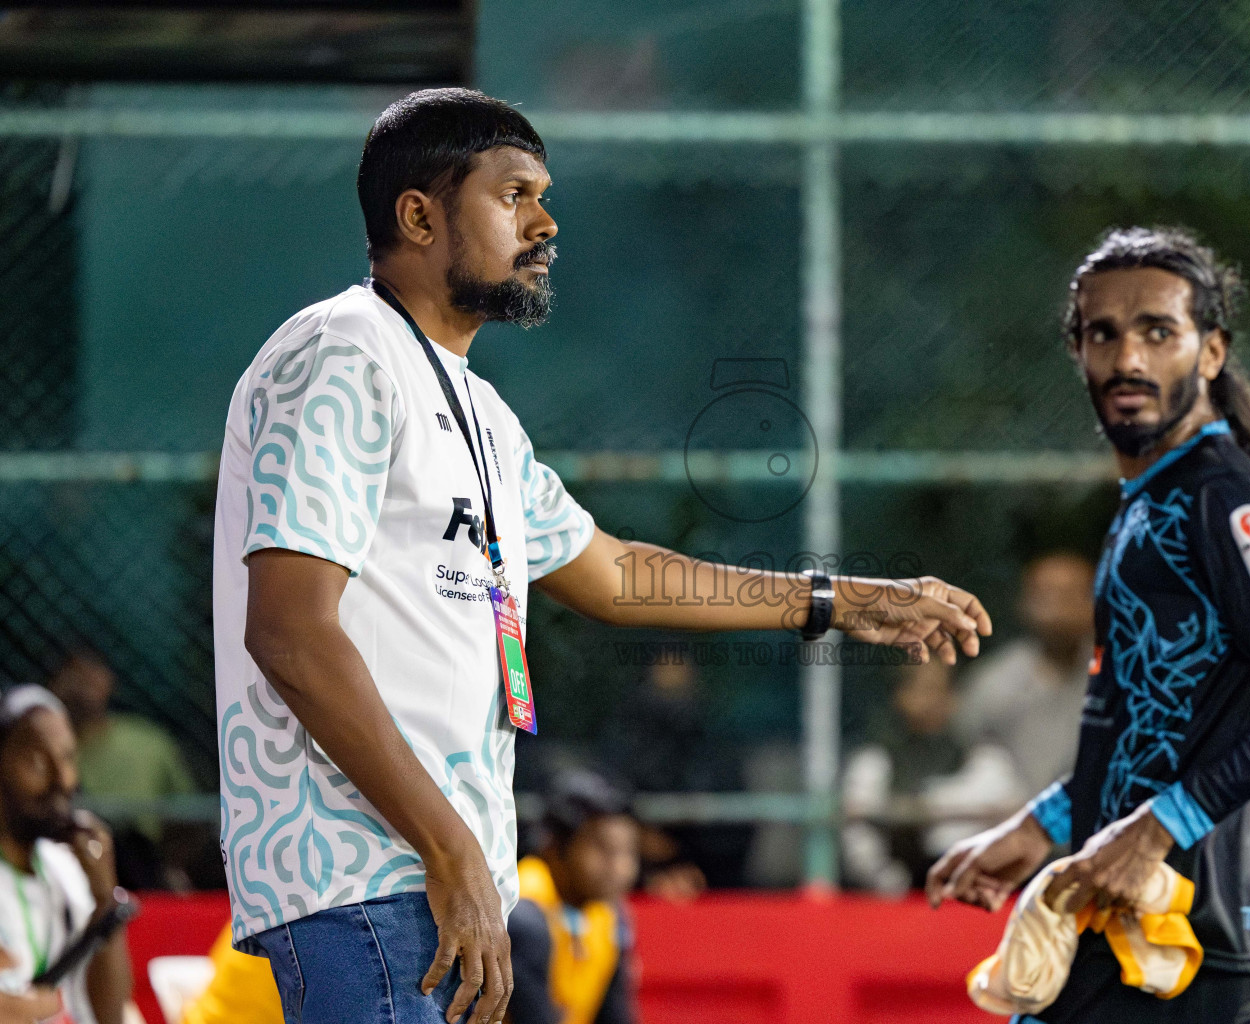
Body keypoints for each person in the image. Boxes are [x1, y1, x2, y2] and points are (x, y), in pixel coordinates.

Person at [212, 87, 991, 1024]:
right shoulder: (340, 354)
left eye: (545, 196)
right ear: (418, 214)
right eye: (514, 195)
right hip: (365, 875)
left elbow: (616, 573)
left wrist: (837, 600)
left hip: (444, 879)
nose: (546, 223)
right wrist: (450, 850)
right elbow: (291, 634)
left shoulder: (481, 415)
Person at [927, 226, 1250, 1024]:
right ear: (1079, 352)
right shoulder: (1155, 499)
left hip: (1188, 930)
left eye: (1157, 332)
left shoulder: (1221, 499)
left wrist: (1157, 828)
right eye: (1104, 333)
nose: (1127, 359)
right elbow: (1160, 724)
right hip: (1139, 914)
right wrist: (1047, 823)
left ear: (1210, 353)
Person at [0, 686, 133, 1024]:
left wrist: (105, 900)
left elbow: (110, 1016)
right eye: (37, 761)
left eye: (68, 758)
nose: (63, 779)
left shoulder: (65, 868)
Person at [843, 658, 1020, 895]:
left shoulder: (988, 764)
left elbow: (1013, 835)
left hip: (969, 898)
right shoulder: (872, 765)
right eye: (920, 689)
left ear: (954, 696)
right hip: (896, 901)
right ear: (900, 696)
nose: (931, 702)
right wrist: (893, 884)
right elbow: (859, 841)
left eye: (940, 690)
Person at [47, 652, 198, 888]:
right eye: (74, 676)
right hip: (69, 863)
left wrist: (170, 864)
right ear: (54, 685)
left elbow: (189, 816)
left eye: (91, 676)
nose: (82, 687)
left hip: (143, 867)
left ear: (108, 681)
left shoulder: (147, 742)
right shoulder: (43, 749)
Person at [955, 553, 1096, 800]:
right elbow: (966, 762)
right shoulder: (992, 683)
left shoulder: (1122, 679)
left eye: (1071, 595)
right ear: (1024, 603)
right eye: (1046, 595)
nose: (1058, 607)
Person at [598, 655, 743, 894]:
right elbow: (603, 805)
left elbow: (734, 832)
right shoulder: (624, 743)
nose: (670, 707)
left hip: (710, 880)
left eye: (679, 692)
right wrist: (639, 839)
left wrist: (686, 857)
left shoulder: (713, 750)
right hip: (634, 881)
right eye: (661, 693)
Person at [506, 773, 639, 1024]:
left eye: (628, 851)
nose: (620, 868)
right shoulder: (521, 911)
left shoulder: (609, 914)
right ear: (554, 845)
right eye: (603, 850)